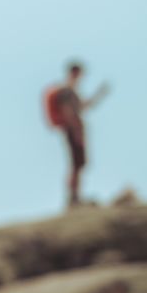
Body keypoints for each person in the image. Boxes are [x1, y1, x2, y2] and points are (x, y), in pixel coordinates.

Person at [44, 61, 110, 207]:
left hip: (73, 131)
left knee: (78, 165)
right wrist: (77, 132)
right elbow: (69, 113)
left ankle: (76, 197)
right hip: (73, 131)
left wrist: (100, 94)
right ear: (74, 73)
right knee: (76, 165)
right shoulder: (67, 91)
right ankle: (74, 198)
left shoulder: (70, 91)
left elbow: (83, 107)